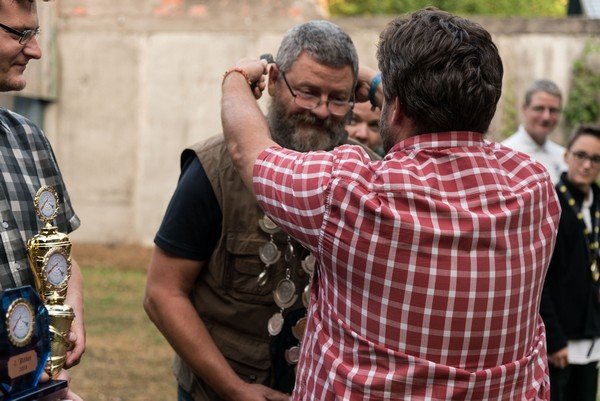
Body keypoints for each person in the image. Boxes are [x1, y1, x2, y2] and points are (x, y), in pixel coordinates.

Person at [221, 8, 561, 400]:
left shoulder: (351, 192)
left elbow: (247, 149)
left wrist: (237, 77)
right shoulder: (533, 189)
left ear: (395, 107)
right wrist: (385, 83)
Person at [144, 20, 379, 401]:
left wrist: (377, 81)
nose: (322, 111)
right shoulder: (214, 168)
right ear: (273, 82)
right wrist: (233, 388)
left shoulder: (369, 175)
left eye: (339, 98)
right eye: (308, 92)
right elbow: (162, 293)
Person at [0, 0, 85, 399]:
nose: (35, 50)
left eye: (34, 34)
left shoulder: (29, 141)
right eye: (20, 34)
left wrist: (70, 310)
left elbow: (60, 255)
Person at [540, 125, 600, 401]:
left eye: (596, 159)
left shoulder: (597, 203)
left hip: (592, 339)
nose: (587, 165)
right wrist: (554, 339)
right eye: (581, 155)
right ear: (566, 156)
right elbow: (540, 280)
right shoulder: (552, 204)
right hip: (561, 343)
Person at [502, 79, 567, 183]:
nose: (546, 117)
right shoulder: (505, 154)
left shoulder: (563, 156)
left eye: (553, 110)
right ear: (524, 108)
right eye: (539, 108)